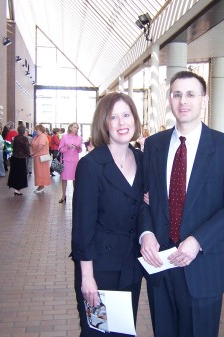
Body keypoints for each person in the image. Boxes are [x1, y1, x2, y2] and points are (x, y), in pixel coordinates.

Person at [139, 71, 224, 337]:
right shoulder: (153, 146)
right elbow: (143, 199)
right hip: (161, 265)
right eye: (177, 94)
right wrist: (146, 234)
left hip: (203, 264)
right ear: (169, 99)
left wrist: (198, 240)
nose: (183, 101)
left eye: (191, 94)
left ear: (204, 99)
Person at [71, 92, 144, 337]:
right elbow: (82, 228)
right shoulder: (91, 166)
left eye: (126, 115)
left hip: (131, 266)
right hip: (99, 268)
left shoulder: (143, 161)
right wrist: (87, 277)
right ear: (104, 123)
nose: (122, 123)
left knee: (123, 331)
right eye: (114, 117)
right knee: (99, 333)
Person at [57, 122, 82, 203]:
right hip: (66, 161)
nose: (76, 129)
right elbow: (60, 149)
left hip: (75, 161)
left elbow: (80, 150)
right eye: (75, 127)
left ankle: (76, 195)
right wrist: (67, 147)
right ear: (70, 128)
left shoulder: (79, 138)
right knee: (64, 179)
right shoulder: (64, 137)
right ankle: (63, 195)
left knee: (75, 179)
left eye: (77, 128)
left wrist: (78, 148)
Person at [7, 125, 30, 195]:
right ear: (23, 131)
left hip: (14, 158)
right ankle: (17, 189)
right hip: (21, 158)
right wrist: (29, 154)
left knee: (14, 173)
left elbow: (11, 146)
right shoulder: (25, 139)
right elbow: (26, 148)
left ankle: (15, 188)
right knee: (20, 174)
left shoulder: (15, 138)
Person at [30, 124, 51, 193]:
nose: (36, 131)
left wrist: (34, 152)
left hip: (42, 157)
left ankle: (41, 186)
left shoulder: (43, 136)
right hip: (37, 156)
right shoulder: (37, 136)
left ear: (41, 130)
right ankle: (40, 185)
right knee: (38, 172)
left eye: (37, 130)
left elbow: (41, 146)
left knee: (41, 172)